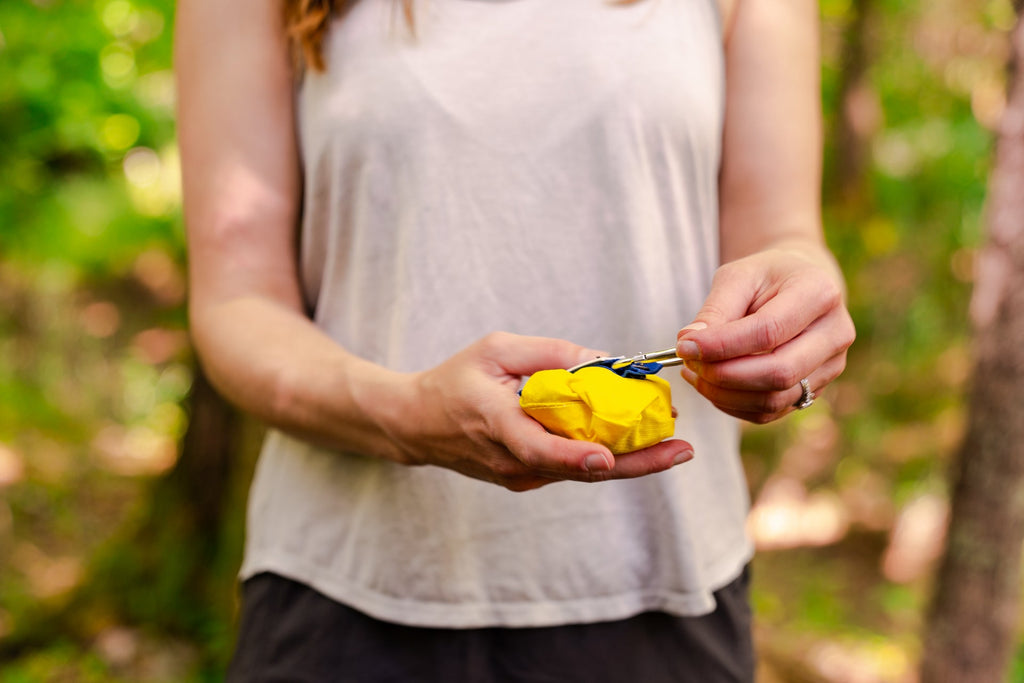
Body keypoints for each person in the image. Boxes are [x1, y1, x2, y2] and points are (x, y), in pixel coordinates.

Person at [175, 0, 855, 680]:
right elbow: (238, 298)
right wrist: (406, 415)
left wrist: (798, 305)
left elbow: (784, 231)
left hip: (661, 592)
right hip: (340, 600)